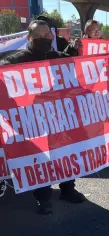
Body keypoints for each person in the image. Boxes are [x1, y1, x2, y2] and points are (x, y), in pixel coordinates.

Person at [0, 20, 85, 214]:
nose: (44, 39)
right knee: (40, 158)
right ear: (29, 38)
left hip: (58, 116)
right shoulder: (17, 59)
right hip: (34, 119)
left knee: (64, 152)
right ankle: (43, 197)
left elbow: (68, 63)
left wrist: (73, 48)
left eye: (47, 35)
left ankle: (68, 188)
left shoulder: (54, 55)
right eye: (39, 36)